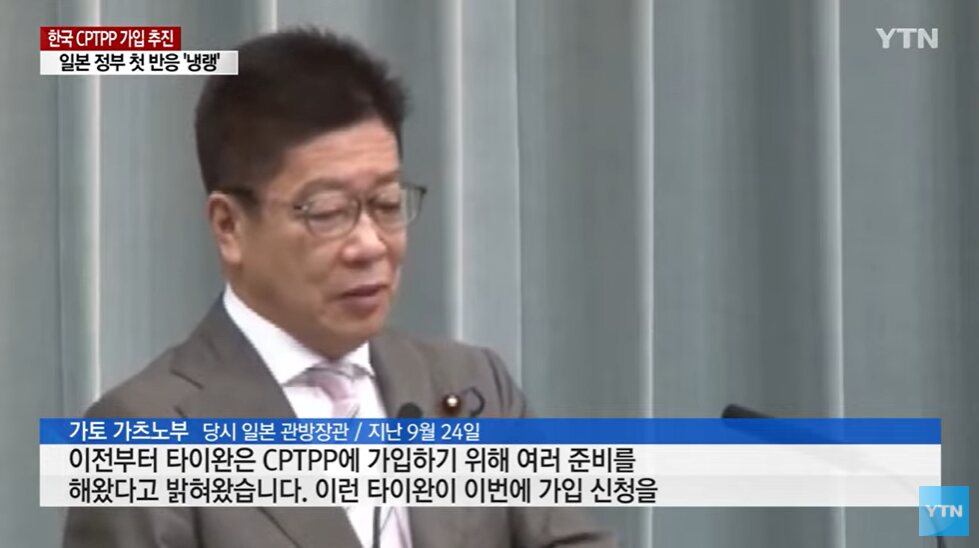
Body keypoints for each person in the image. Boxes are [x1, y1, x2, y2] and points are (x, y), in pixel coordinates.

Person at [62, 27, 616, 548]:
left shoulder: (472, 388)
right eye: (327, 212)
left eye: (387, 204)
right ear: (229, 227)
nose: (370, 245)